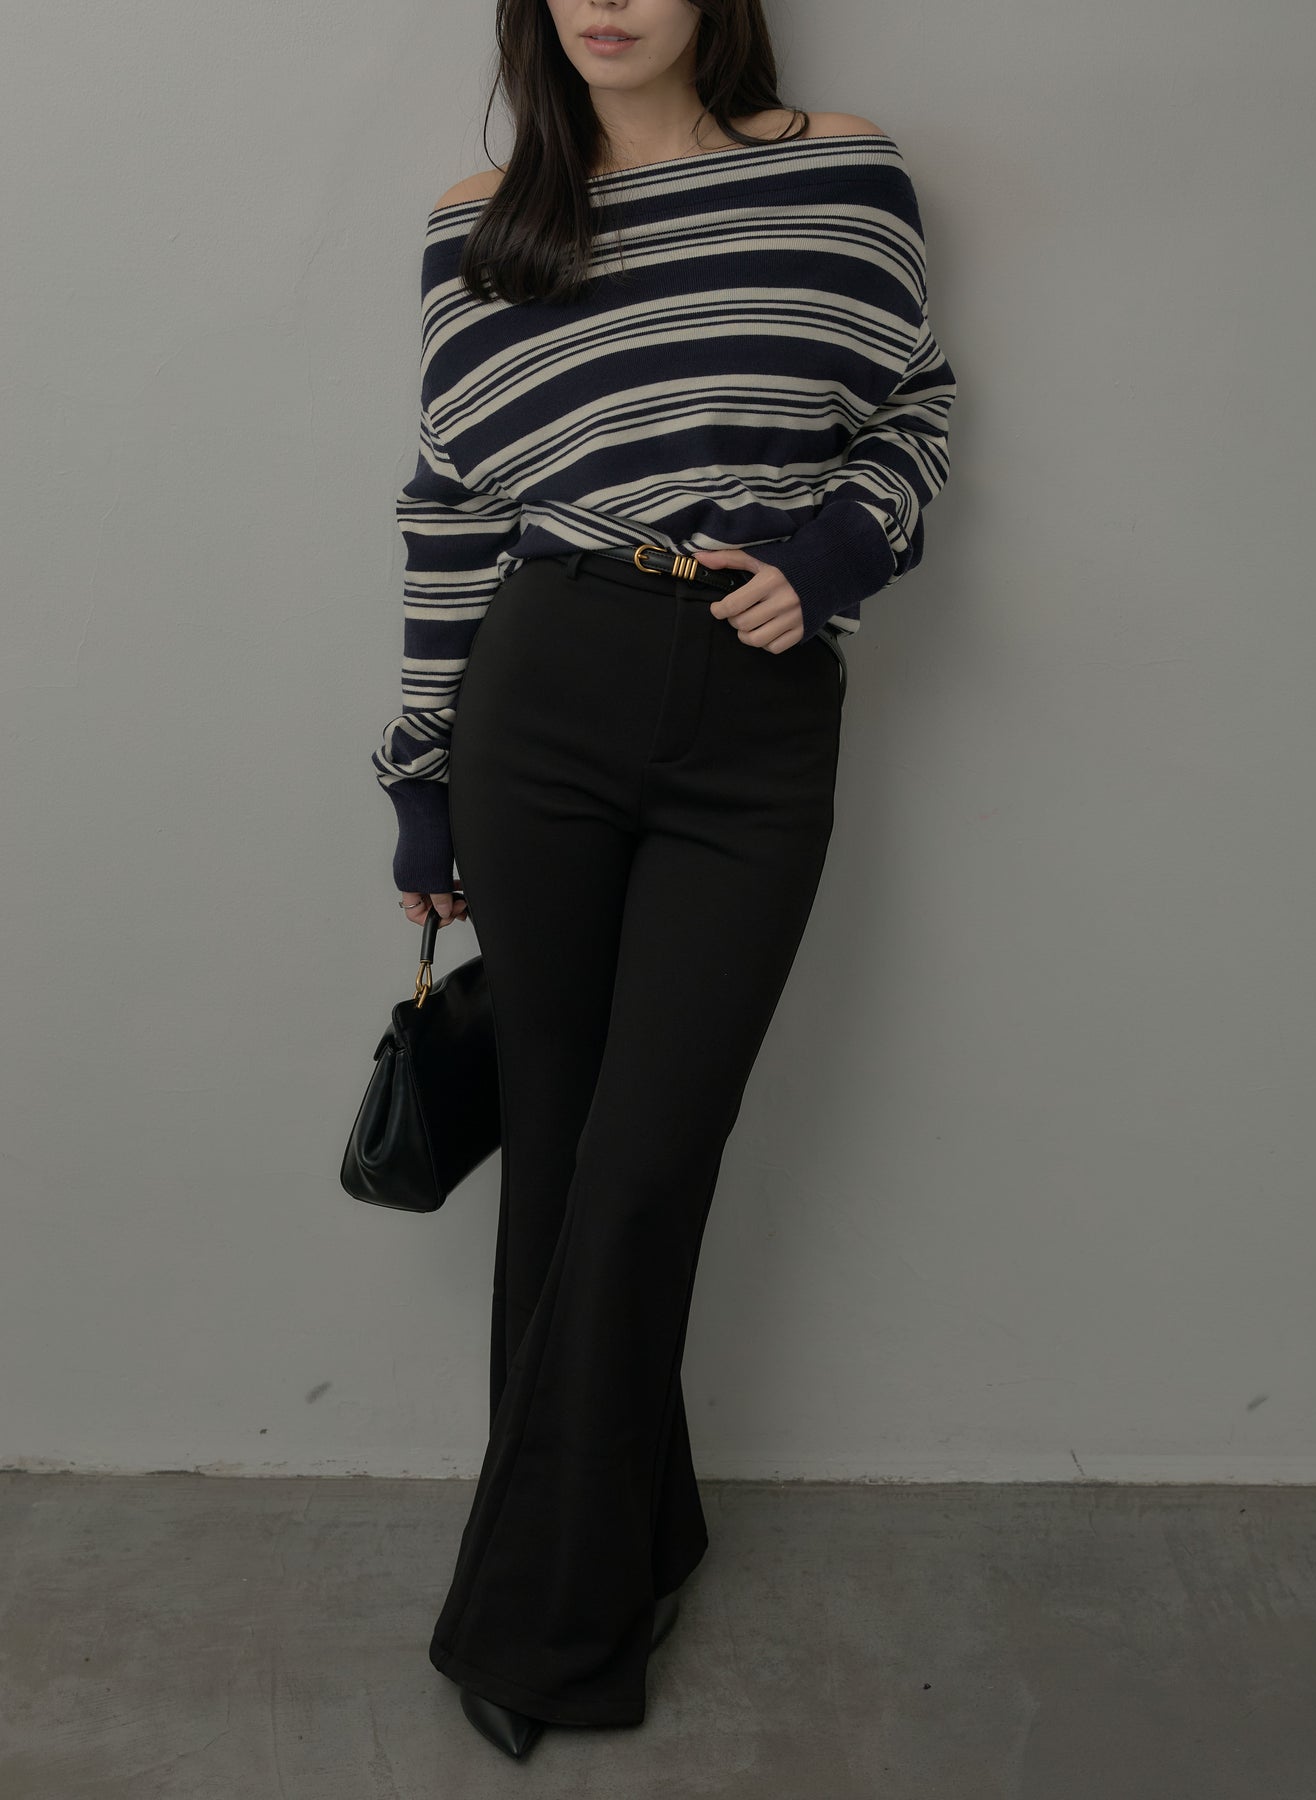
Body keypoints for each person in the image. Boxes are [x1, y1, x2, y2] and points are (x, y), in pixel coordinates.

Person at [370, 0, 957, 1763]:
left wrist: (831, 554)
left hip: (752, 710)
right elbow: (449, 507)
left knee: (643, 1162)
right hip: (539, 692)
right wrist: (420, 788)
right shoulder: (481, 224)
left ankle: (532, 1619)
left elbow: (913, 408)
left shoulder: (841, 171)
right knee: (560, 1152)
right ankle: (625, 1552)